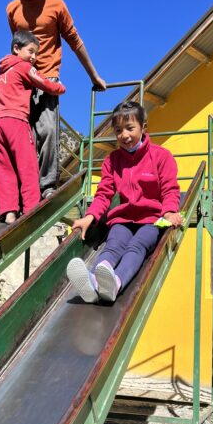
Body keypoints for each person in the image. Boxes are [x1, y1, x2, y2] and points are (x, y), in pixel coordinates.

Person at [6, 0, 106, 198]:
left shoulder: (56, 5)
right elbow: (15, 47)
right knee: (23, 133)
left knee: (48, 130)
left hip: (48, 77)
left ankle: (48, 185)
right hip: (22, 80)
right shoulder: (12, 9)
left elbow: (74, 41)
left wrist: (93, 76)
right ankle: (25, 185)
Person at [66, 101, 182, 303]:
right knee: (113, 245)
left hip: (151, 219)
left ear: (143, 127)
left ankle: (116, 283)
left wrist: (169, 211)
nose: (124, 135)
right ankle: (93, 282)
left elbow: (170, 189)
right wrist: (90, 217)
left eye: (130, 128)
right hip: (124, 217)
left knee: (137, 246)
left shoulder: (161, 156)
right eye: (118, 130)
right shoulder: (112, 160)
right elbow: (104, 193)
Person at [0, 30, 65, 224]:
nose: (33, 57)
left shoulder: (2, 70)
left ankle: (9, 212)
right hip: (16, 121)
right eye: (31, 51)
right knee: (28, 164)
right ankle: (31, 209)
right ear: (16, 48)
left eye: (36, 54)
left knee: (5, 167)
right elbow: (43, 83)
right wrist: (60, 88)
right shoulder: (24, 67)